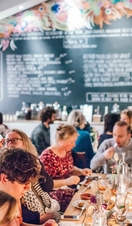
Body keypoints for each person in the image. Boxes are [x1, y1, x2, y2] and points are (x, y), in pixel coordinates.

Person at [4, 129, 59, 223]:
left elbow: (48, 186)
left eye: (14, 140)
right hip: (38, 216)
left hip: (44, 210)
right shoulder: (8, 170)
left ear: (25, 142)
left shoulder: (35, 162)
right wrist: (41, 218)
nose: (9, 144)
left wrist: (38, 167)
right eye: (7, 141)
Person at [40, 124, 92, 212]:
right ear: (60, 140)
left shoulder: (66, 152)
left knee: (89, 198)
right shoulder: (46, 157)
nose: (74, 145)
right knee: (84, 204)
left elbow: (69, 169)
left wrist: (81, 171)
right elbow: (44, 184)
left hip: (66, 190)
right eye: (72, 142)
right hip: (52, 196)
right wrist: (66, 182)